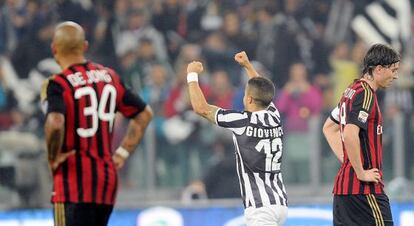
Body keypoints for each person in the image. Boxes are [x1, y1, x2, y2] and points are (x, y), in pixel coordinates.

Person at [41, 21, 153, 226]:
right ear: (84, 46)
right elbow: (144, 114)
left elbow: (55, 123)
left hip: (72, 181)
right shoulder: (109, 77)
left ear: (54, 49)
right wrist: (123, 152)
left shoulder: (58, 84)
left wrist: (53, 157)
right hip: (105, 182)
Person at [187, 51, 288, 226]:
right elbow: (262, 89)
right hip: (279, 203)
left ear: (248, 98)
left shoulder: (242, 121)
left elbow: (201, 109)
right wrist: (248, 66)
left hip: (260, 208)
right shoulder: (274, 116)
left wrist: (191, 75)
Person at [322, 43, 400, 226]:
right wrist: (360, 171)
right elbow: (349, 133)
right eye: (393, 70)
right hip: (364, 191)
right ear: (379, 69)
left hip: (344, 192)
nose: (396, 76)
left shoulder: (351, 90)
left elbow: (329, 127)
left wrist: (349, 159)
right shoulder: (365, 94)